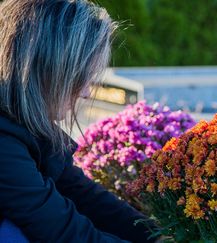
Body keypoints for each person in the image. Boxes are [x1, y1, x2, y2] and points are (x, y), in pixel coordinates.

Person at [0, 0, 159, 242]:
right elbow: (64, 232)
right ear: (45, 70)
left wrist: (158, 237)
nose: (86, 92)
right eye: (80, 77)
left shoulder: (22, 121)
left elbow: (82, 194)